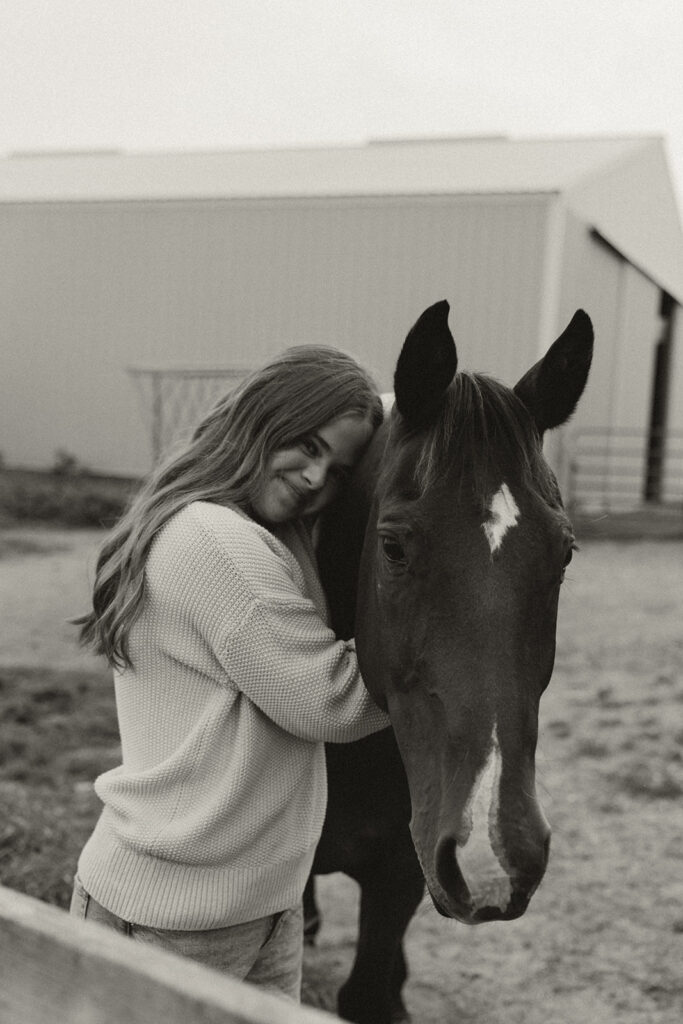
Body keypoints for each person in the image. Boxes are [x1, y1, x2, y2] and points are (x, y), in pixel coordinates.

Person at [71, 344, 389, 1001]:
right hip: (178, 913)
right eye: (306, 445)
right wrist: (442, 647)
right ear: (259, 422)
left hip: (246, 902)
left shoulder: (236, 529)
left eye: (336, 469)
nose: (313, 478)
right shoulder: (217, 541)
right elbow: (329, 701)